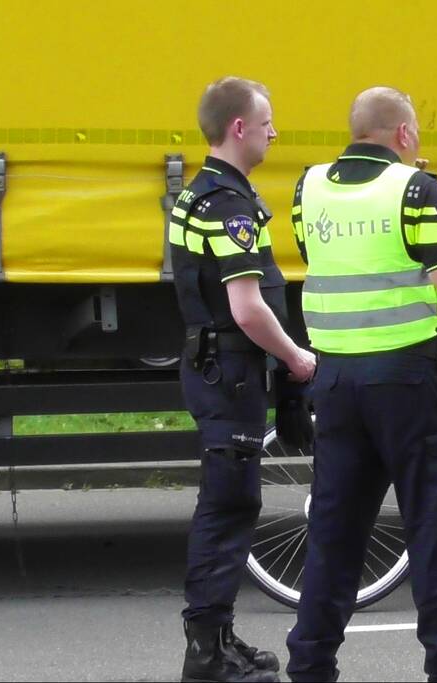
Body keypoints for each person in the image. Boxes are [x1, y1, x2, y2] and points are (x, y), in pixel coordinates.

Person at [284, 86, 437, 683]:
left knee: (335, 535)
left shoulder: (308, 188)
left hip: (337, 380)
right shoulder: (415, 187)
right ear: (402, 135)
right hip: (410, 384)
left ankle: (310, 667)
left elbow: (317, 254)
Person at [169, 76, 316, 683]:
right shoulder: (229, 207)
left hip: (216, 369)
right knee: (229, 507)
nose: (274, 132)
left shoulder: (199, 194)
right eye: (267, 121)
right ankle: (207, 654)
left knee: (232, 504)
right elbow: (248, 307)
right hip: (230, 373)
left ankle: (220, 638)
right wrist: (297, 359)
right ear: (239, 128)